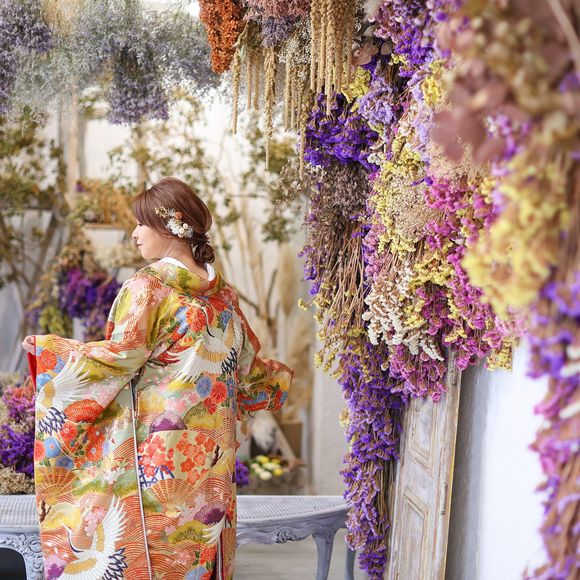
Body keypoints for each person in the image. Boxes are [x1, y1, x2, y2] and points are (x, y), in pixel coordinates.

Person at [21, 177, 293, 580]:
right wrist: (279, 379)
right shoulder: (223, 297)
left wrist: (51, 351)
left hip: (158, 449)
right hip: (210, 451)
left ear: (170, 226)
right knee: (199, 541)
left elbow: (120, 357)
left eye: (140, 224)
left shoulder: (148, 287)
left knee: (157, 548)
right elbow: (248, 371)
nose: (134, 234)